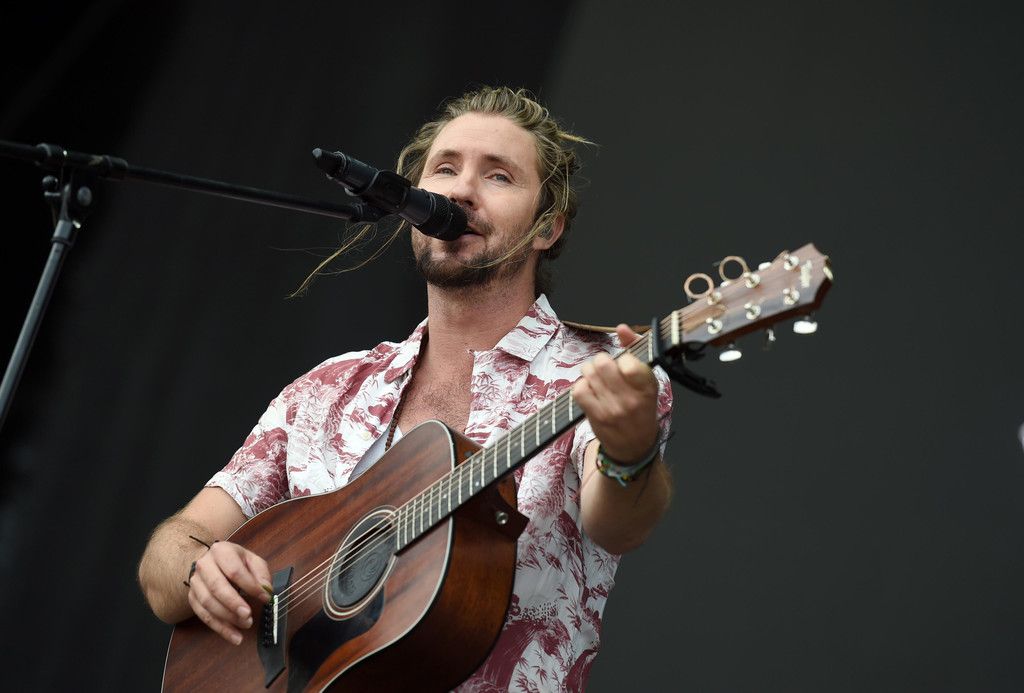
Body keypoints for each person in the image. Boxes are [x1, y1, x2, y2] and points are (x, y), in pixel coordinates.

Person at [138, 86, 674, 691]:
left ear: (547, 227)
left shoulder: (600, 374)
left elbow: (618, 525)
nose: (460, 191)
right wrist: (198, 570)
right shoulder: (326, 390)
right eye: (444, 168)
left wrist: (631, 452)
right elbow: (169, 556)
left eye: (498, 176)